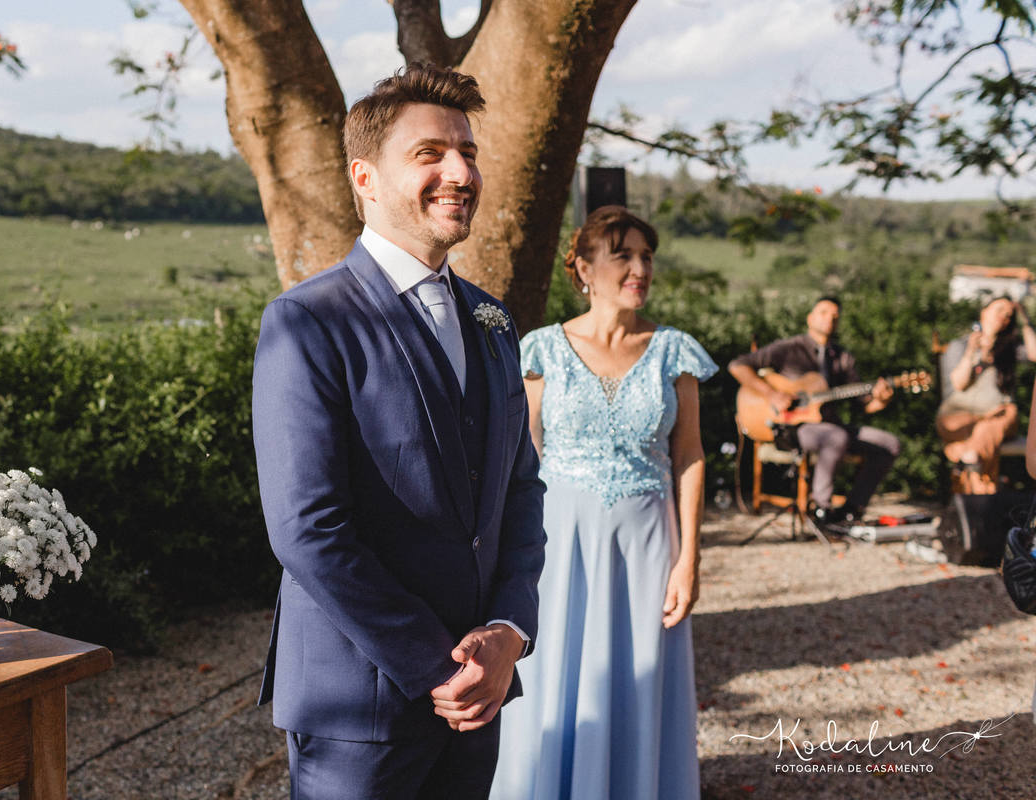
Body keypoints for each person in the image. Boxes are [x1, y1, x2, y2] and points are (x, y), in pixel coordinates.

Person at [251, 64, 546, 800]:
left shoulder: (493, 320)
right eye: (430, 154)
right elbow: (308, 528)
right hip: (363, 705)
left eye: (468, 152)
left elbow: (520, 489)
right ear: (365, 178)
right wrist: (436, 665)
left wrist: (510, 630)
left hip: (478, 694)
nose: (460, 171)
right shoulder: (310, 322)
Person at [492, 205, 714, 800]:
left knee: (639, 679)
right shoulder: (541, 351)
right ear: (584, 268)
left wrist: (690, 559)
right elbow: (519, 464)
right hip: (558, 543)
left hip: (648, 545)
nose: (640, 268)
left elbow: (690, 455)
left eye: (646, 256)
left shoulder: (675, 353)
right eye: (624, 255)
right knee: (553, 675)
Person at [728, 297, 898, 526]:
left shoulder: (843, 358)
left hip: (831, 425)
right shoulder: (788, 348)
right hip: (792, 427)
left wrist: (881, 399)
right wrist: (772, 394)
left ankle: (850, 511)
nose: (830, 318)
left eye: (835, 315)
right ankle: (821, 511)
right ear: (810, 318)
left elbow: (865, 404)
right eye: (824, 312)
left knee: (888, 444)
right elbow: (738, 366)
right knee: (836, 437)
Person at [937, 296, 1036, 494]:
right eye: (999, 310)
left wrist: (1025, 320)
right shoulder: (961, 345)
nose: (1004, 317)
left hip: (997, 416)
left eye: (1009, 315)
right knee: (977, 440)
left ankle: (968, 461)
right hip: (960, 416)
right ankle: (979, 502)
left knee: (989, 427)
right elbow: (959, 383)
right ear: (984, 311)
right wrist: (973, 353)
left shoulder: (1010, 347)